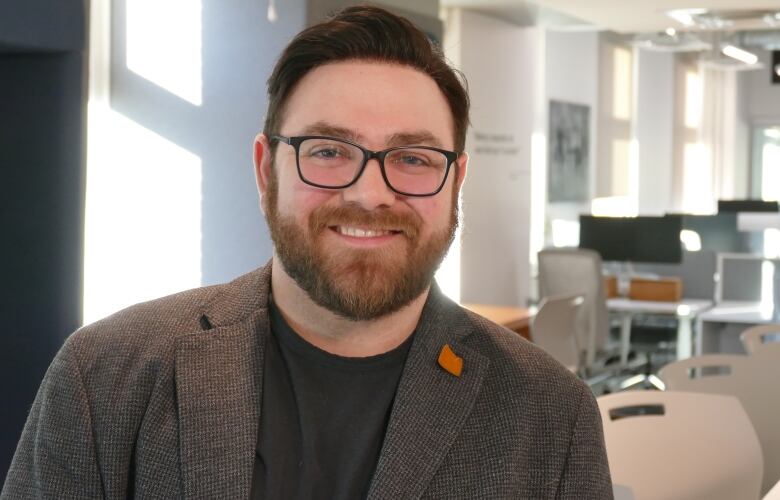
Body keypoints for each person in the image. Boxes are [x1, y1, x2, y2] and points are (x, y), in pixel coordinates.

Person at [2, 5, 612, 499]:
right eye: (328, 151)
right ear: (267, 169)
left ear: (455, 182)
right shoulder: (105, 376)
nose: (371, 194)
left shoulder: (549, 414)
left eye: (413, 159)